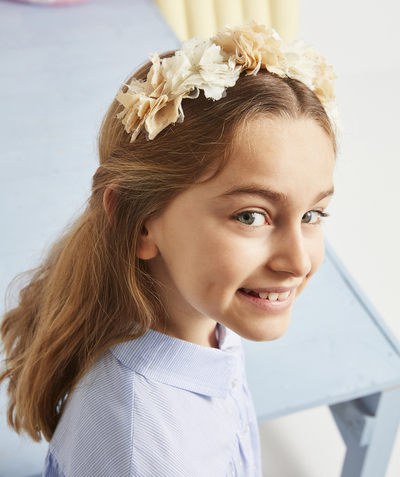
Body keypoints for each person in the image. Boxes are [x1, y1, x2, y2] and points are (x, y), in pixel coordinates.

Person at [0, 21, 337, 476]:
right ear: (139, 221)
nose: (298, 262)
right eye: (250, 216)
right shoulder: (143, 449)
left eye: (311, 215)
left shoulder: (202, 307)